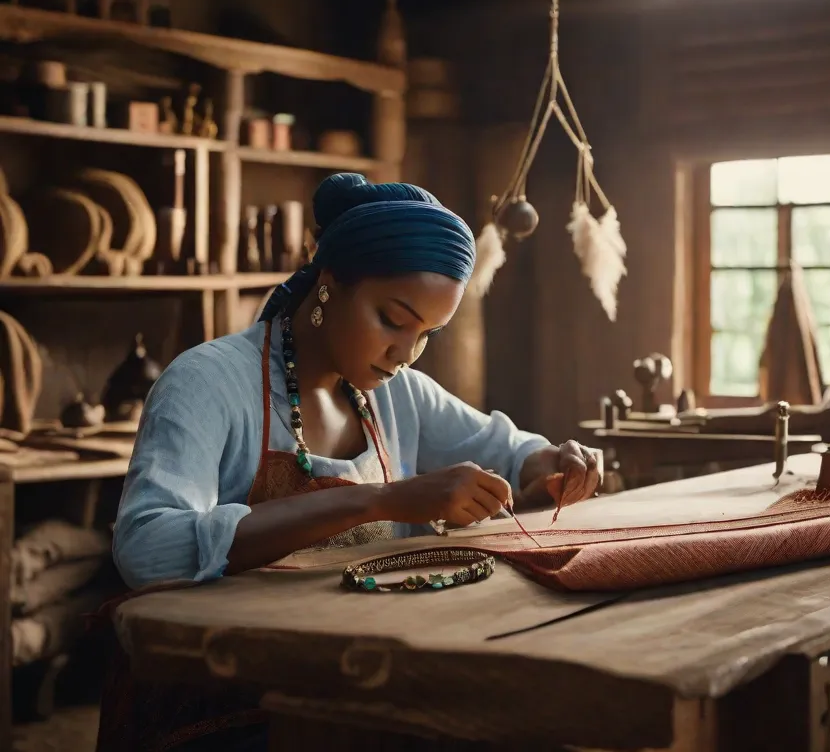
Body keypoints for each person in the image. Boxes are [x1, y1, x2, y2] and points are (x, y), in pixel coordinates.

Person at [98, 173, 604, 751]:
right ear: (331, 282)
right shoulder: (209, 382)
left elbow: (509, 451)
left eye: (427, 334)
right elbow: (147, 548)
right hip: (225, 702)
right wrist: (378, 499)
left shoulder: (397, 391)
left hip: (358, 680)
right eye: (392, 319)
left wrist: (549, 463)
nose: (404, 353)